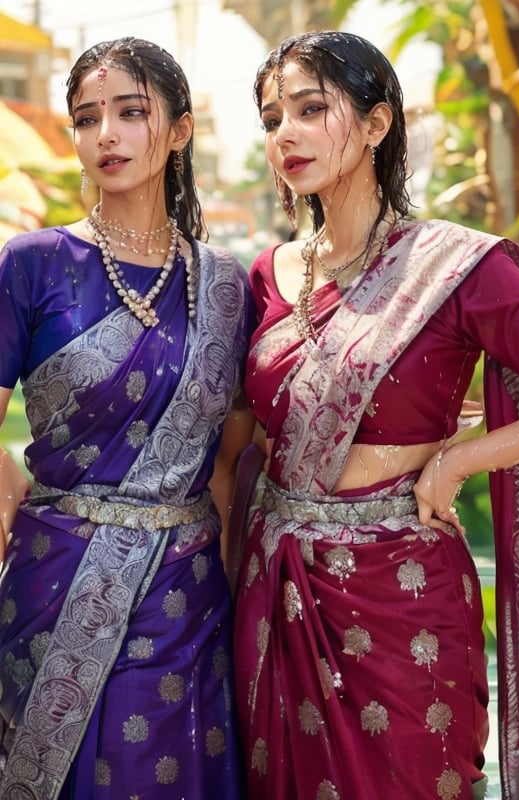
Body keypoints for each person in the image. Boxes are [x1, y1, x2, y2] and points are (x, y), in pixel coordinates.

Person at [232, 30, 519, 800]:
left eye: (311, 108)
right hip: (277, 585)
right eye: (271, 117)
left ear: (378, 123)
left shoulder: (456, 268)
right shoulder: (266, 275)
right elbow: (246, 442)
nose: (286, 132)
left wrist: (458, 460)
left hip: (401, 595)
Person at [0, 37, 254, 799]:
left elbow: (232, 459)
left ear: (178, 130)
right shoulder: (34, 264)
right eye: (87, 118)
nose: (105, 134)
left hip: (187, 598)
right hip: (54, 585)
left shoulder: (229, 289)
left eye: (130, 112)